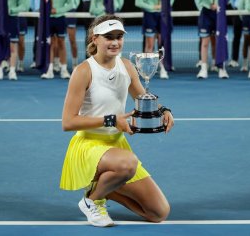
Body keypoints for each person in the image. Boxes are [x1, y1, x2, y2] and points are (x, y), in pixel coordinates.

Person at [60, 14, 174, 227]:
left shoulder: (127, 66)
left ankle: (103, 188)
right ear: (95, 39)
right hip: (88, 146)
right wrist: (112, 120)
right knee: (128, 163)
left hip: (116, 147)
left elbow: (142, 98)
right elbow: (68, 122)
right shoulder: (83, 71)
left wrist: (164, 111)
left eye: (119, 36)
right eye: (108, 37)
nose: (115, 42)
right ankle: (92, 200)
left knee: (158, 212)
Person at [135, 0, 175, 79]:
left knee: (161, 43)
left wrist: (164, 8)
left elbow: (171, 0)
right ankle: (147, 69)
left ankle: (162, 68)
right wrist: (152, 7)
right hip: (150, 16)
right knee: (150, 44)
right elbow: (138, 2)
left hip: (163, 17)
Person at [195, 0, 228, 79]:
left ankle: (221, 67)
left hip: (218, 13)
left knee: (219, 41)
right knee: (205, 42)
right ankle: (204, 68)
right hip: (206, 13)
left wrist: (218, 5)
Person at [41, 0, 73, 79]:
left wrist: (58, 10)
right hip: (49, 20)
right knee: (50, 44)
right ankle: (49, 70)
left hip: (60, 19)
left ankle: (64, 70)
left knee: (61, 43)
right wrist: (48, 9)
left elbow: (70, 4)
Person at [228, 0, 250, 68]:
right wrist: (238, 9)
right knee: (237, 36)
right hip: (237, 12)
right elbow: (232, 0)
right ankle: (234, 59)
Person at [62, 0, 80, 69]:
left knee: (72, 39)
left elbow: (76, 2)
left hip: (70, 13)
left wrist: (68, 8)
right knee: (57, 40)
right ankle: (58, 63)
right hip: (58, 14)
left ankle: (74, 63)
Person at [12, 0, 29, 72]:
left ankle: (21, 63)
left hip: (21, 19)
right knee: (9, 43)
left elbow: (26, 6)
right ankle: (8, 63)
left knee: (21, 43)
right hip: (10, 19)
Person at [28, 0, 41, 69]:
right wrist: (35, 10)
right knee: (37, 36)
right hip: (38, 13)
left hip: (51, 14)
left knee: (53, 39)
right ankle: (35, 59)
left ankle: (53, 61)